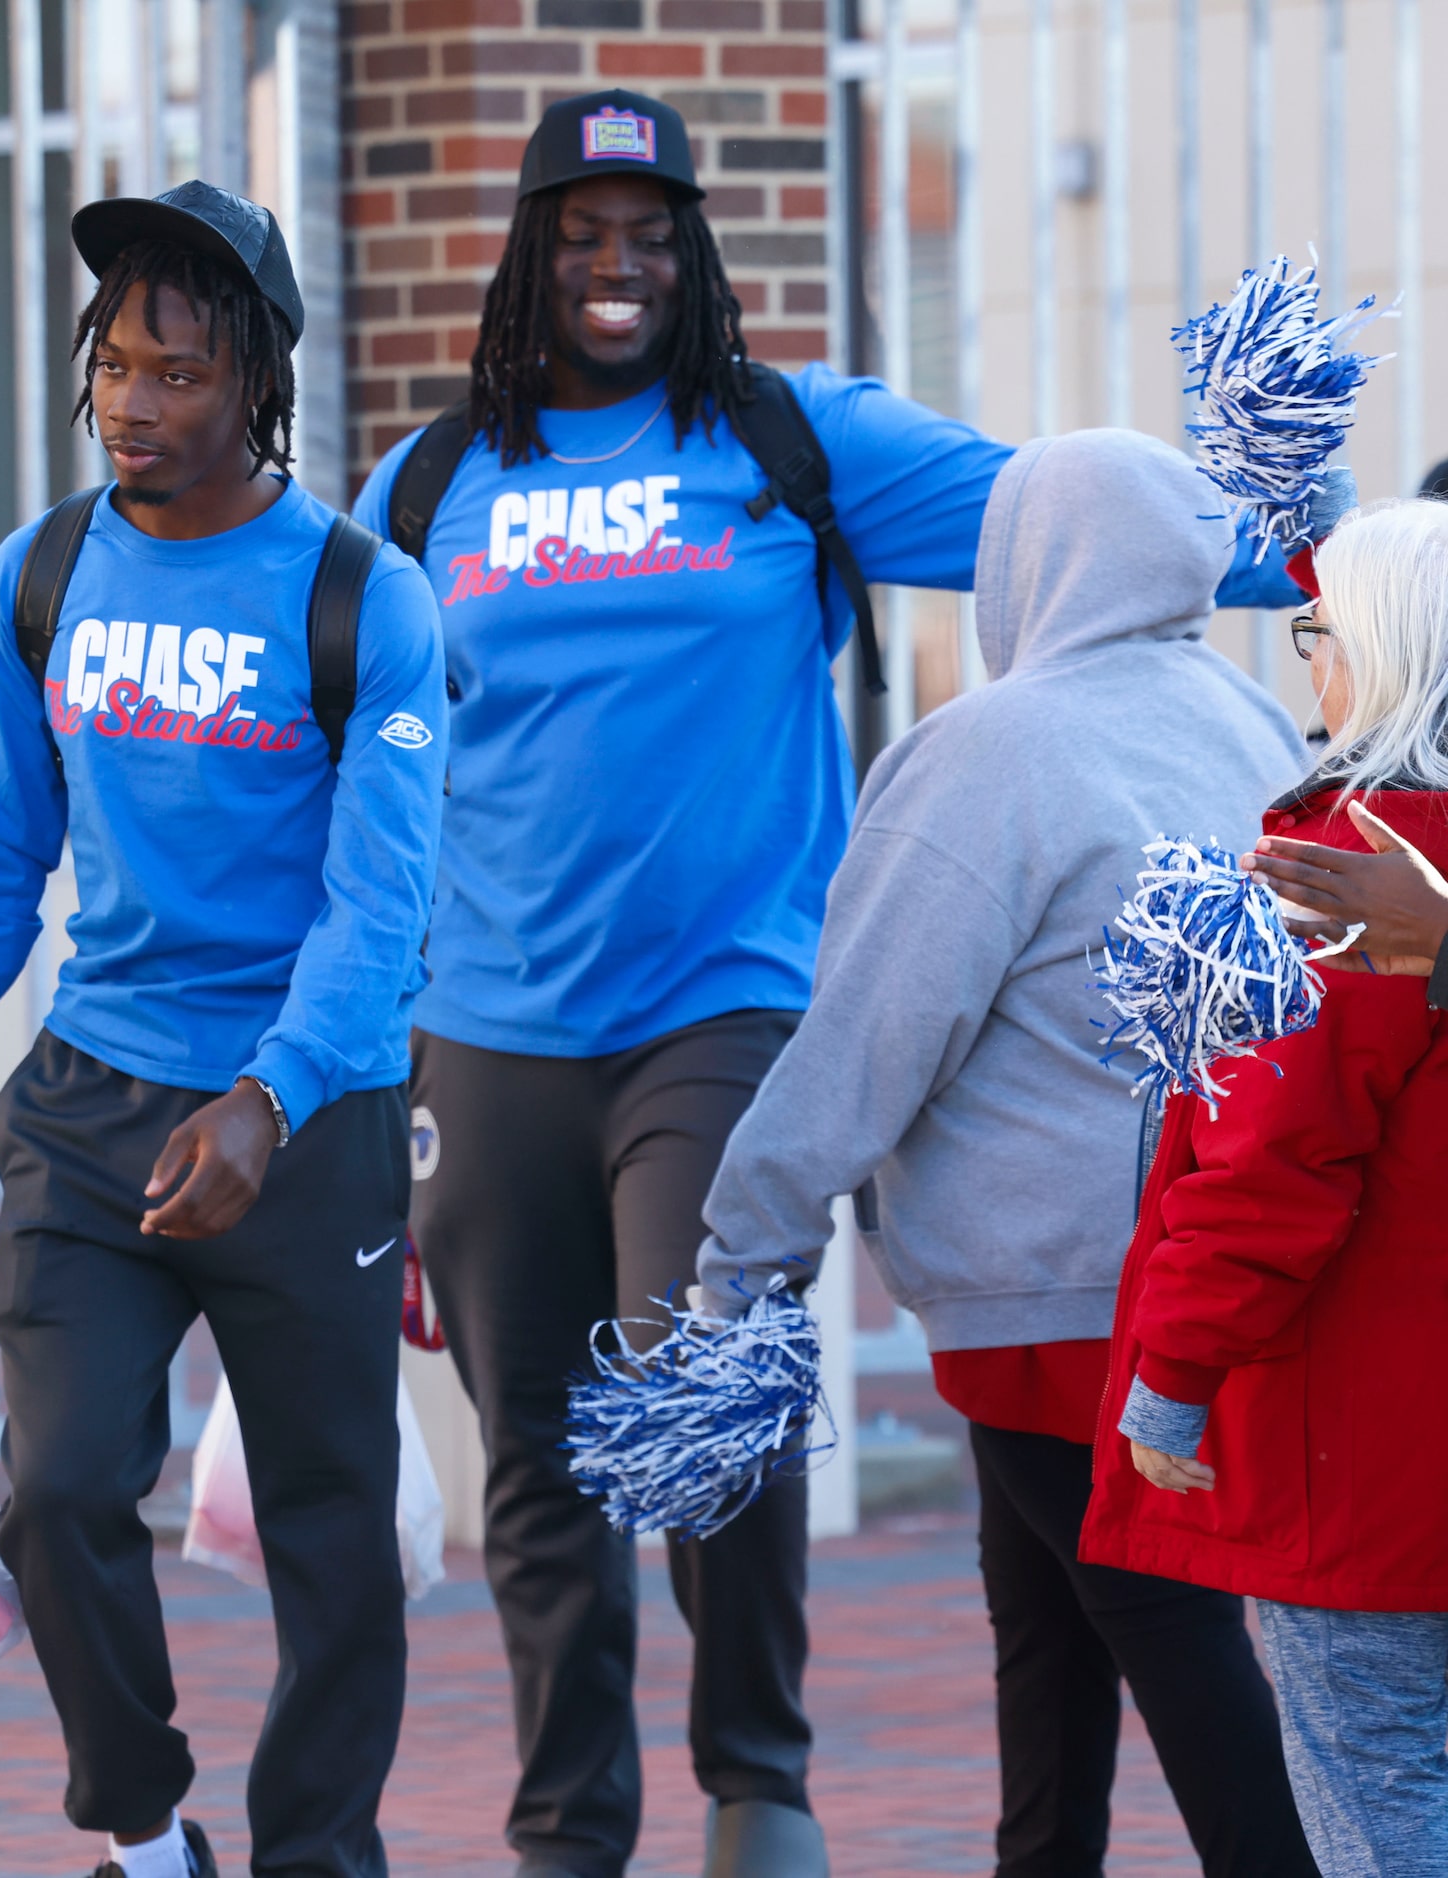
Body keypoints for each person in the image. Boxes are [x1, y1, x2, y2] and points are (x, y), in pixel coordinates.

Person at [349, 87, 1306, 1878]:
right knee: (543, 1469)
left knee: (708, 1397)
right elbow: (365, 774)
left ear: (693, 250)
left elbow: (1068, 516)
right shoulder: (424, 486)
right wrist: (364, 1044)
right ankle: (570, 1820)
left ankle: (756, 1787)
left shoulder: (791, 442)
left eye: (651, 230)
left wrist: (1329, 550)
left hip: (724, 1012)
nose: (617, 264)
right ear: (529, 254)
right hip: (480, 1030)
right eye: (581, 229)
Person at [0, 181, 445, 1878]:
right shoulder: (43, 573)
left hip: (306, 1116)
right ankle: (144, 1829)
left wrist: (272, 1098)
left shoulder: (364, 598)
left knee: (331, 1537)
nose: (136, 401)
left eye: (181, 373)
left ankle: (320, 1854)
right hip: (90, 1103)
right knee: (55, 1490)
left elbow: (382, 909)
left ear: (257, 380)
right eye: (117, 364)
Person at [692, 430, 1318, 1878]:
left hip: (1044, 1297)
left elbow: (865, 1031)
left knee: (1167, 1639)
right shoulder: (1244, 716)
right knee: (1043, 1637)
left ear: (1020, 561)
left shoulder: (988, 751)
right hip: (1204, 1274)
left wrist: (747, 1254)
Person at [1085, 496, 1448, 1876]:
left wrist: (1172, 1372)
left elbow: (1269, 1167)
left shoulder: (1343, 863)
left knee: (1377, 1786)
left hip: (1362, 1435)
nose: (1310, 660)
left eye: (1321, 632)